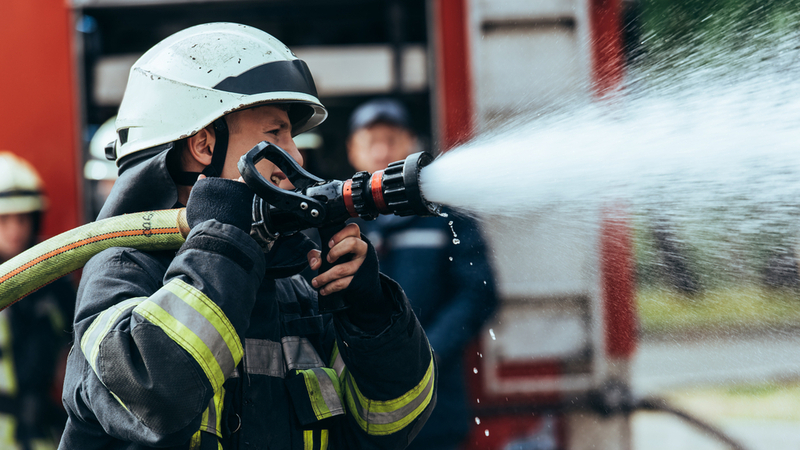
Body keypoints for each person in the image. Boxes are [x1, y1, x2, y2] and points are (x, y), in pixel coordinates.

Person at [59, 23, 436, 450]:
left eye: (292, 136)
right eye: (274, 134)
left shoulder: (296, 284)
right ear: (204, 145)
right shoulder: (123, 272)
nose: (295, 155)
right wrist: (225, 239)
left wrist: (372, 317)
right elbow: (151, 394)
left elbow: (393, 425)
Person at [346, 99, 498, 450]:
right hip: (357, 413)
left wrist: (427, 352)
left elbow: (479, 292)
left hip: (435, 410)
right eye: (371, 141)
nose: (382, 150)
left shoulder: (446, 213)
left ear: (412, 145)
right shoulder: (339, 222)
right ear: (353, 151)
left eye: (393, 138)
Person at [0, 151, 75, 450]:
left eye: (23, 218)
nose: (15, 230)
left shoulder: (53, 279)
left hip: (44, 431)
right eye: (4, 219)